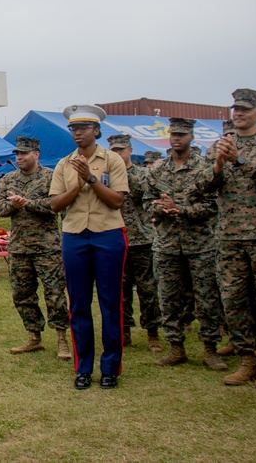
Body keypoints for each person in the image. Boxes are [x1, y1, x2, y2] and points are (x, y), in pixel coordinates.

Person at [198, 89, 256, 389]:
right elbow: (202, 186)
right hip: (228, 237)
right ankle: (247, 360)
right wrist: (217, 166)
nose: (237, 113)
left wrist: (240, 161)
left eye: (245, 109)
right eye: (235, 109)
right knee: (233, 300)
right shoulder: (221, 145)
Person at [49, 104, 129, 390]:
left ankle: (110, 368)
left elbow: (117, 200)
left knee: (110, 304)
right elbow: (55, 204)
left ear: (96, 131)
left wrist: (91, 179)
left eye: (83, 128)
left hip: (107, 234)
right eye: (73, 128)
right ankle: (83, 368)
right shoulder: (63, 164)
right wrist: (77, 183)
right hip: (74, 236)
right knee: (79, 304)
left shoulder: (112, 160)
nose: (77, 133)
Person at [142, 119, 224, 370]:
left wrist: (183, 211)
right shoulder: (157, 170)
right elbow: (146, 204)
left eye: (182, 134)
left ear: (191, 136)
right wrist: (160, 210)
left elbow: (213, 205)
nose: (177, 138)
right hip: (166, 245)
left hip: (199, 244)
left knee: (207, 298)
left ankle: (211, 349)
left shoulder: (204, 168)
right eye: (173, 134)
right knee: (169, 298)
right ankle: (176, 347)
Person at [0, 137, 71, 359]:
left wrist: (29, 204)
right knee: (22, 294)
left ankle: (62, 339)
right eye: (17, 153)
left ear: (36, 154)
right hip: (19, 247)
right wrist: (12, 205)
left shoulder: (50, 177)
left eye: (24, 153)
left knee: (55, 293)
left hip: (47, 247)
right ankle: (33, 336)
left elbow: (57, 205)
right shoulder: (8, 179)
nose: (19, 157)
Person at [106, 135, 163, 354]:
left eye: (121, 150)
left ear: (130, 150)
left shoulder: (143, 175)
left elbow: (148, 198)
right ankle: (124, 331)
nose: (118, 154)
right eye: (114, 150)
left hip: (141, 238)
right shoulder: (105, 177)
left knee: (147, 289)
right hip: (114, 238)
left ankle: (152, 332)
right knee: (119, 289)